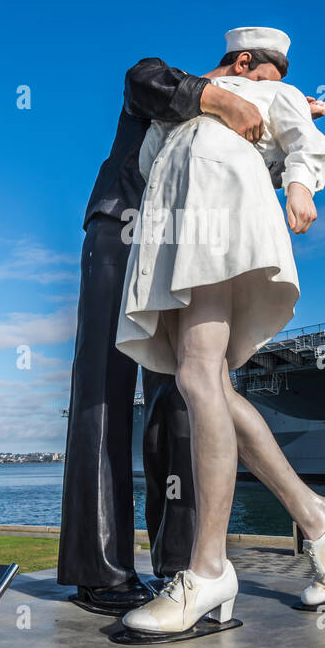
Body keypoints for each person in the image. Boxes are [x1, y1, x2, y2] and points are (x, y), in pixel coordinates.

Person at [115, 26, 325, 636]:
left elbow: (304, 141)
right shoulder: (200, 102)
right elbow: (152, 162)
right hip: (173, 230)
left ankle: (208, 569)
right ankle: (315, 515)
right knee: (213, 389)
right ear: (245, 62)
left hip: (216, 221)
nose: (276, 92)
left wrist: (299, 184)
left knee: (199, 378)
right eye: (270, 78)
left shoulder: (270, 95)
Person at [57, 54, 268, 613]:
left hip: (178, 243)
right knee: (102, 390)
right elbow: (139, 77)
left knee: (182, 397)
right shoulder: (173, 84)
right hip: (121, 228)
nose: (255, 102)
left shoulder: (229, 126)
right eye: (261, 85)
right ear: (242, 63)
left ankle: (184, 565)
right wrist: (224, 98)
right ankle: (98, 568)